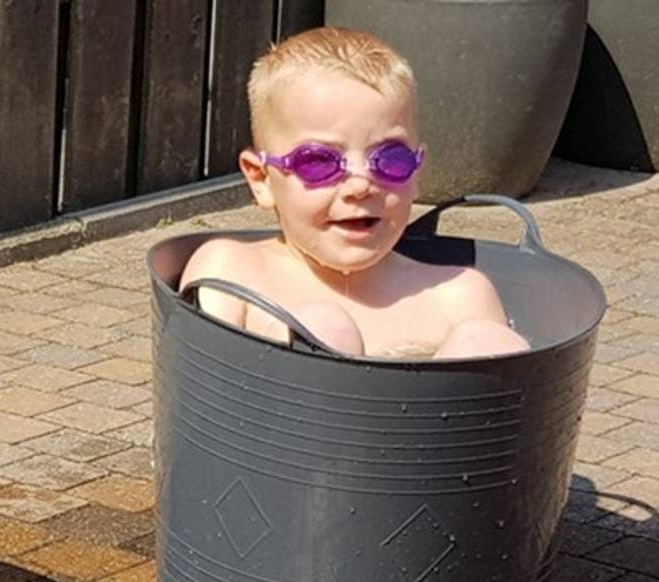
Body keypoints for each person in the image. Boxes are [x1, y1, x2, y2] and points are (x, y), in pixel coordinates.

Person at [179, 27, 529, 359]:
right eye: (318, 162)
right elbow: (199, 394)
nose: (361, 184)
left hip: (431, 423)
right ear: (261, 179)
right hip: (271, 421)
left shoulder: (458, 296)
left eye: (391, 159)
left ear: (417, 171)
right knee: (322, 327)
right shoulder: (234, 270)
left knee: (487, 340)